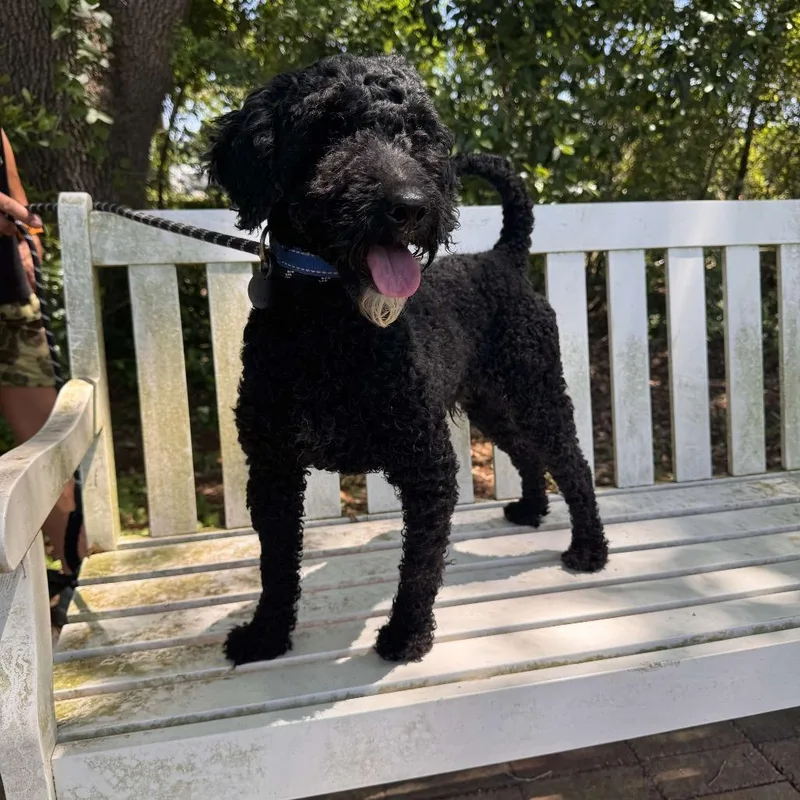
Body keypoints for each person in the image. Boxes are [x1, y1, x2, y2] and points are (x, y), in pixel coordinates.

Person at [0, 127, 85, 633]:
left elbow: (14, 191)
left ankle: (74, 584)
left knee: (50, 454)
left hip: (9, 302)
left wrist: (26, 238)